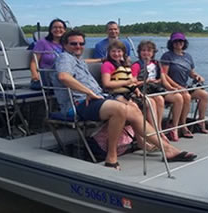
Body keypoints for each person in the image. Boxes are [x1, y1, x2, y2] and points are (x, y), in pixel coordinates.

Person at [52, 29, 196, 170]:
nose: (78, 46)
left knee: (134, 109)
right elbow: (63, 77)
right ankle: (111, 157)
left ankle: (167, 149)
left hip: (97, 99)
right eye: (73, 44)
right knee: (119, 109)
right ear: (65, 45)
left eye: (81, 43)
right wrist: (88, 91)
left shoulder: (79, 61)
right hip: (78, 103)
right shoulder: (64, 58)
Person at [100, 40, 164, 139]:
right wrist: (127, 82)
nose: (116, 54)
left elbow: (132, 83)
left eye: (119, 51)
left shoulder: (124, 65)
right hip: (115, 94)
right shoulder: (107, 65)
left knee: (150, 102)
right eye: (113, 51)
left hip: (128, 93)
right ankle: (141, 140)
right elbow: (107, 83)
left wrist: (137, 91)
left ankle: (155, 132)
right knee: (134, 107)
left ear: (123, 53)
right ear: (109, 52)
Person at [131, 40, 185, 141]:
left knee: (178, 97)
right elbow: (133, 83)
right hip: (144, 89)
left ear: (153, 53)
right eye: (143, 50)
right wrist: (145, 81)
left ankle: (174, 127)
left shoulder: (156, 64)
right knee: (159, 99)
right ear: (139, 52)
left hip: (156, 88)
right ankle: (158, 130)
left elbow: (163, 79)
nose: (146, 53)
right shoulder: (136, 65)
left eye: (149, 51)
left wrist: (172, 88)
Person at [160, 32, 208, 135]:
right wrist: (177, 87)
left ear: (184, 42)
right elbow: (164, 75)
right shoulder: (167, 56)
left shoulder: (188, 57)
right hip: (171, 88)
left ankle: (201, 122)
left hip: (185, 87)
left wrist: (197, 76)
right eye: (176, 41)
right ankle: (182, 125)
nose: (179, 43)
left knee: (204, 95)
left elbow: (191, 73)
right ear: (172, 43)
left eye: (181, 41)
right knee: (185, 95)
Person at [29, 19, 66, 89]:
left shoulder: (67, 44)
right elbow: (34, 62)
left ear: (64, 30)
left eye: (61, 28)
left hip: (63, 73)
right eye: (55, 27)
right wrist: (35, 75)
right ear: (50, 30)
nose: (58, 29)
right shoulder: (42, 43)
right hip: (47, 74)